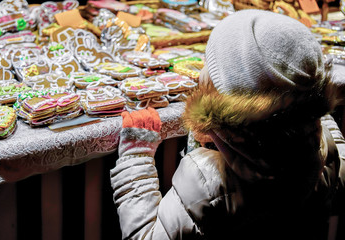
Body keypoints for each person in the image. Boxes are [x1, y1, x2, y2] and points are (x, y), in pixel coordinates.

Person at [110, 9, 345, 240]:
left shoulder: (206, 179)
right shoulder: (327, 151)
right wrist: (305, 111)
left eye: (210, 68)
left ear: (223, 105)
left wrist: (136, 159)